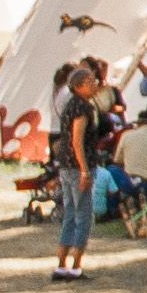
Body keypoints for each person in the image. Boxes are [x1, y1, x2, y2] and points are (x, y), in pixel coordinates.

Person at [49, 61, 104, 281]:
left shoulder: (69, 105)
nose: (95, 85)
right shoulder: (83, 108)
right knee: (83, 214)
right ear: (79, 85)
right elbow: (77, 140)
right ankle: (76, 264)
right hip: (78, 165)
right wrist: (84, 170)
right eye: (90, 82)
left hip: (65, 165)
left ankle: (62, 263)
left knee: (70, 213)